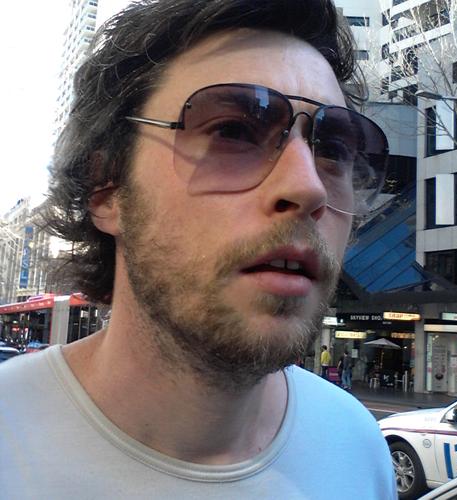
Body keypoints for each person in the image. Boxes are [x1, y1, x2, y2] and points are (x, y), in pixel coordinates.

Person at [0, 0, 396, 498]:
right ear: (107, 189)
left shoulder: (357, 446)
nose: (309, 187)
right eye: (233, 131)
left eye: (333, 150)